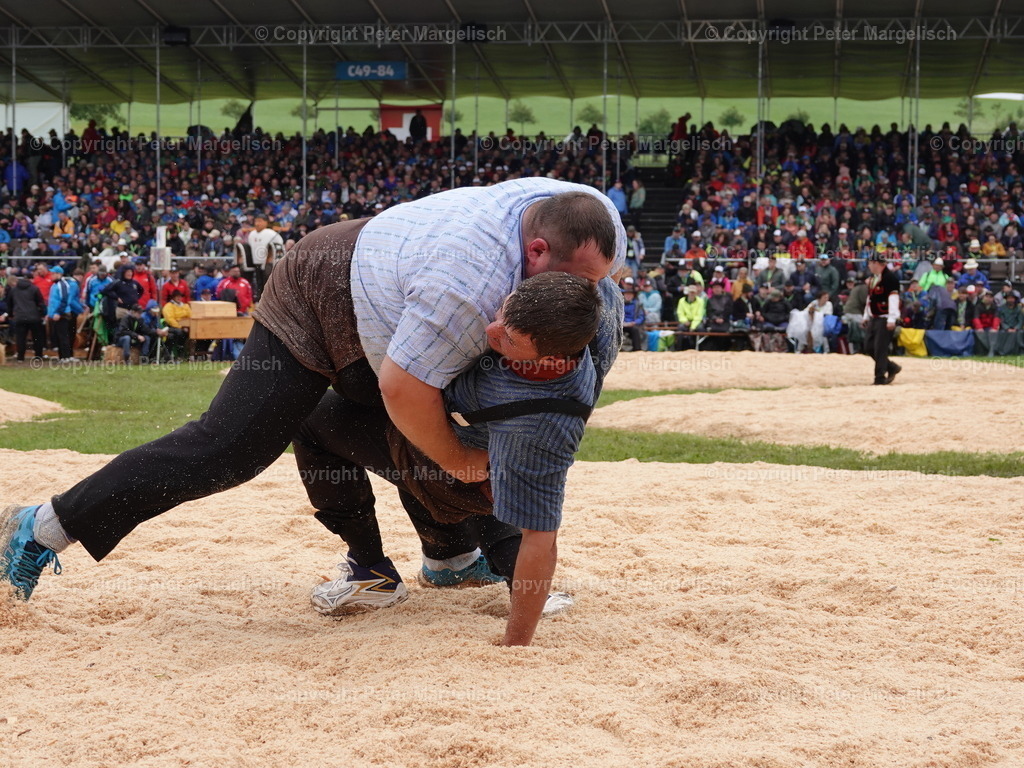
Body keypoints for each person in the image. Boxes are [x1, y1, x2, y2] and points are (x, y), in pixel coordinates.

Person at [1, 179, 625, 629]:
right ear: (535, 254)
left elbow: (534, 397)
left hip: (389, 289)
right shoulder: (465, 287)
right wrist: (463, 461)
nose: (584, 290)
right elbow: (406, 391)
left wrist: (533, 427)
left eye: (591, 284)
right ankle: (47, 524)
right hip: (320, 287)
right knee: (233, 446)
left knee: (460, 433)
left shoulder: (592, 241)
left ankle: (450, 558)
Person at [301, 273, 609, 645]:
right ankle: (453, 562)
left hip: (466, 473)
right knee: (417, 429)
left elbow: (541, 538)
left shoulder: (542, 431)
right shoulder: (584, 301)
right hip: (456, 442)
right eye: (502, 312)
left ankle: (371, 574)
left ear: (553, 357)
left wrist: (516, 643)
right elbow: (605, 263)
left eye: (509, 339)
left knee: (314, 420)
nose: (491, 330)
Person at [862, 253, 902, 385]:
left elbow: (893, 299)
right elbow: (870, 299)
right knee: (869, 347)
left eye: (870, 263)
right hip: (874, 316)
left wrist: (892, 319)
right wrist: (866, 315)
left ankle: (879, 377)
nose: (868, 265)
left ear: (876, 263)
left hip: (884, 318)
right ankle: (891, 367)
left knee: (880, 348)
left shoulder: (890, 279)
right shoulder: (873, 279)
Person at [5, 271, 46, 361]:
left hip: (19, 317)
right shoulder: (35, 288)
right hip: (34, 317)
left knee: (21, 338)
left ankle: (20, 357)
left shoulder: (13, 290)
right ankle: (38, 356)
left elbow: (9, 304)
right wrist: (43, 314)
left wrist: (11, 315)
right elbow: (40, 303)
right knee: (37, 338)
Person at [46, 265, 83, 362]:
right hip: (55, 314)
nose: (51, 275)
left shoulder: (62, 284)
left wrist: (58, 312)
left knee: (64, 336)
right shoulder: (54, 285)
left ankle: (66, 356)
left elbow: (64, 300)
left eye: (53, 273)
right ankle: (62, 356)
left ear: (59, 274)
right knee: (59, 336)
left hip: (61, 314)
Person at [244, 213, 284, 301]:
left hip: (268, 263)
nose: (257, 223)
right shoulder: (252, 234)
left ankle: (270, 300)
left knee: (268, 282)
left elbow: (279, 246)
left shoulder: (271, 233)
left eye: (260, 221)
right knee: (258, 282)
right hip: (256, 262)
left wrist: (271, 259)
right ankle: (259, 299)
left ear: (266, 223)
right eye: (256, 221)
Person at [622, 286, 646, 351]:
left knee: (635, 330)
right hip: (621, 324)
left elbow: (641, 317)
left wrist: (635, 322)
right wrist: (621, 323)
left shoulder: (638, 304)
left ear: (633, 295)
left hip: (633, 324)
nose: (628, 296)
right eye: (627, 294)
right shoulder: (619, 303)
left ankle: (637, 349)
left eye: (630, 294)